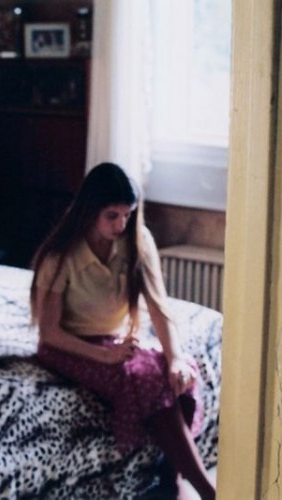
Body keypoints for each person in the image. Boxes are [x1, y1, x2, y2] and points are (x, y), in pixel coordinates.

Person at [30, 162, 216, 500]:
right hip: (67, 345)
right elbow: (50, 333)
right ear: (90, 211)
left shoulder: (137, 240)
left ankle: (172, 478)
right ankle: (206, 489)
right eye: (112, 216)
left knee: (182, 375)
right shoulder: (62, 255)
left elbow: (158, 306)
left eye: (127, 215)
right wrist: (105, 356)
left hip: (111, 340)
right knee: (144, 378)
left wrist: (174, 357)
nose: (121, 224)